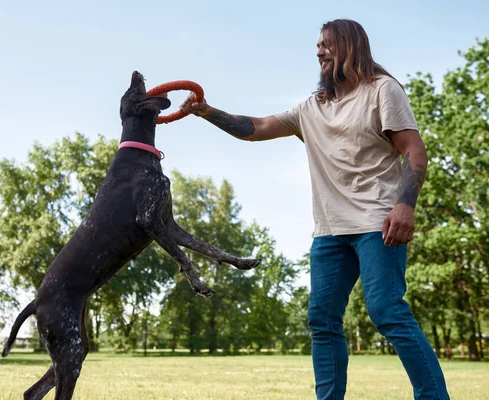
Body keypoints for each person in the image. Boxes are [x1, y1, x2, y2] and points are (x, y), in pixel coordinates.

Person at [179, 18, 450, 400]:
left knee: (386, 310)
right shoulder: (312, 106)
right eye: (317, 45)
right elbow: (255, 127)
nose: (319, 51)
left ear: (351, 46)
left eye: (326, 44)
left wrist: (406, 205)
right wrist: (207, 111)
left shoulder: (382, 90)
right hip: (329, 232)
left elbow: (414, 150)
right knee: (321, 321)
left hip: (378, 222)